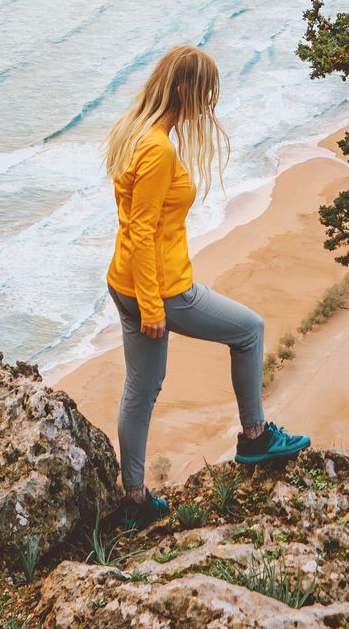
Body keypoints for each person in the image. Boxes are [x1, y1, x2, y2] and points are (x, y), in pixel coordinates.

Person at [104, 44, 310, 525]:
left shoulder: (136, 131)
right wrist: (155, 305)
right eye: (206, 93)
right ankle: (256, 437)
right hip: (163, 289)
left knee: (141, 386)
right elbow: (142, 229)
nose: (210, 103)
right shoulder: (157, 148)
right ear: (184, 90)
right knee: (249, 330)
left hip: (125, 281)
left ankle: (134, 501)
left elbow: (134, 225)